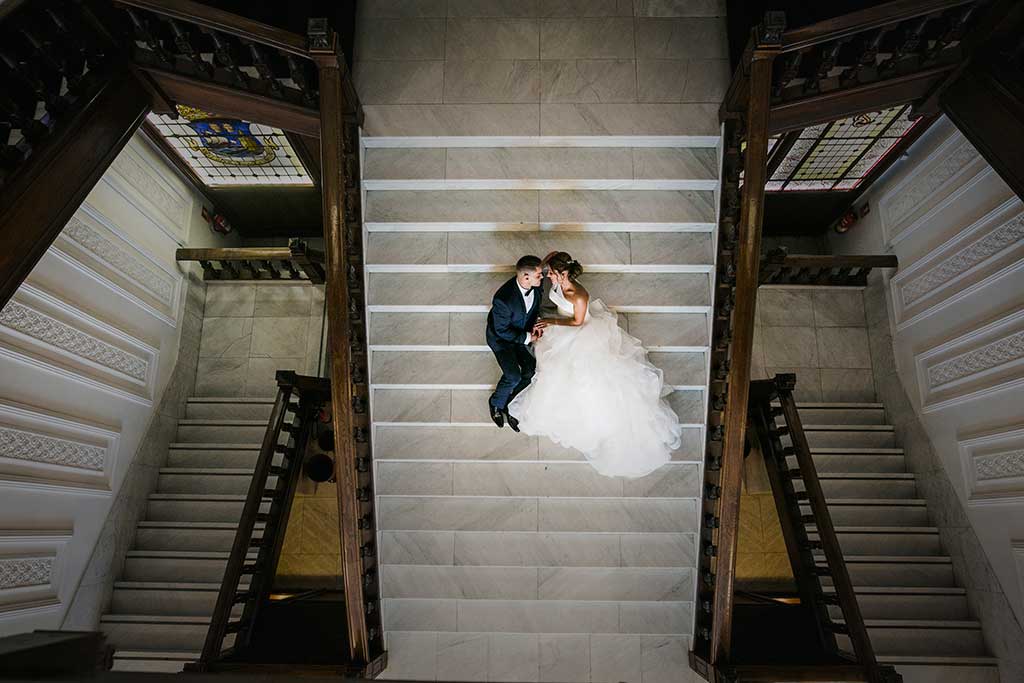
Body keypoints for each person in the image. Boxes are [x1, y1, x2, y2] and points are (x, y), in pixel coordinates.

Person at [507, 251, 682, 477]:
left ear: (562, 274)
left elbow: (577, 321)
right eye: (547, 273)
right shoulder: (560, 280)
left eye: (551, 274)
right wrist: (544, 266)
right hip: (565, 324)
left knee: (577, 375)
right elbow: (550, 264)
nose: (548, 277)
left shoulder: (579, 295)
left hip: (580, 332)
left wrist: (550, 321)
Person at [485, 255, 545, 431]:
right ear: (526, 277)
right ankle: (496, 403)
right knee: (513, 376)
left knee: (531, 370)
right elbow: (501, 330)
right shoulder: (503, 299)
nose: (542, 278)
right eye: (539, 275)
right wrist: (528, 337)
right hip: (502, 340)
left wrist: (535, 324)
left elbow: (532, 310)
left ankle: (512, 404)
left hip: (521, 333)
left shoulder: (535, 286)